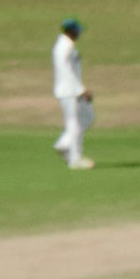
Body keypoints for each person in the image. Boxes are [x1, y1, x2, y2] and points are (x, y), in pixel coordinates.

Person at [52, 17, 95, 169]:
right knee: (74, 123)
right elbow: (66, 70)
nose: (79, 34)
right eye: (77, 31)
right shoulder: (65, 46)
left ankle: (66, 146)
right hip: (70, 90)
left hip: (68, 90)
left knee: (86, 118)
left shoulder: (64, 45)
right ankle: (73, 157)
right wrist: (81, 90)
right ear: (71, 31)